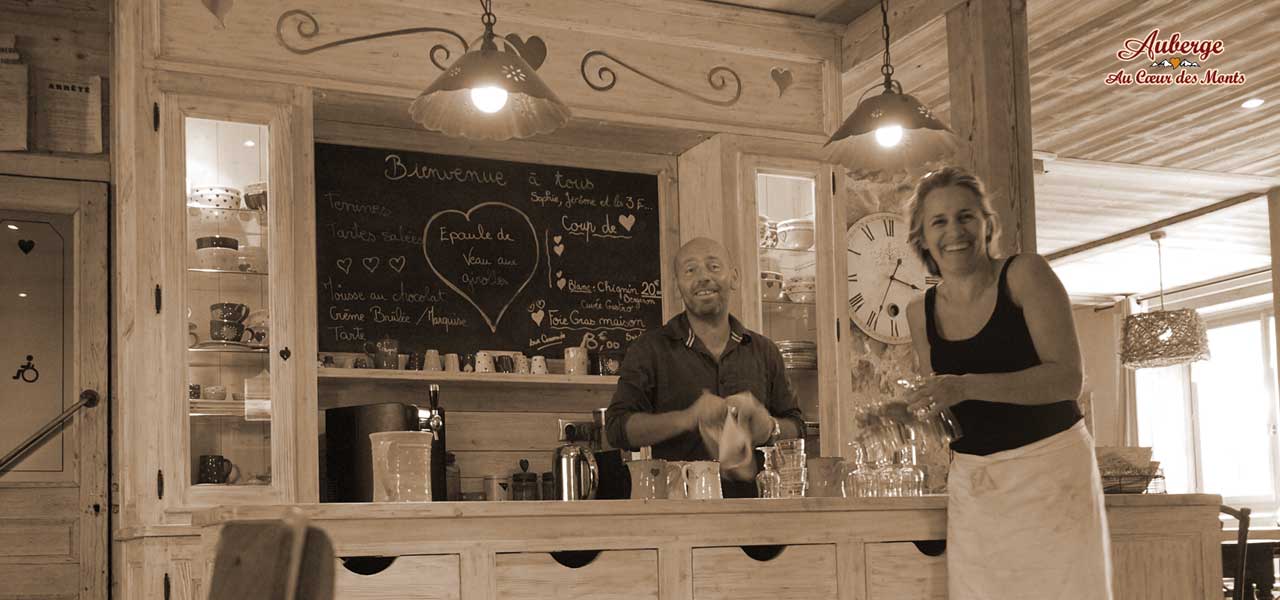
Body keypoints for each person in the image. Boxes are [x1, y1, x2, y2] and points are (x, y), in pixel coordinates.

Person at [901, 167, 1112, 599]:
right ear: (921, 237)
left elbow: (1067, 379)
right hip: (975, 483)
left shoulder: (1025, 274)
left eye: (966, 216)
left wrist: (964, 386)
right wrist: (910, 413)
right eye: (939, 221)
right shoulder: (918, 311)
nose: (954, 231)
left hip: (1051, 469)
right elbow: (944, 409)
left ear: (987, 223)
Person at [605, 237, 805, 497]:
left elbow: (798, 428)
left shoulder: (764, 351)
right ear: (677, 286)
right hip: (680, 514)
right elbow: (617, 429)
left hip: (755, 510)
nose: (703, 278)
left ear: (734, 278)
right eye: (690, 270)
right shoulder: (649, 350)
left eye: (713, 266)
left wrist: (768, 427)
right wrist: (688, 418)